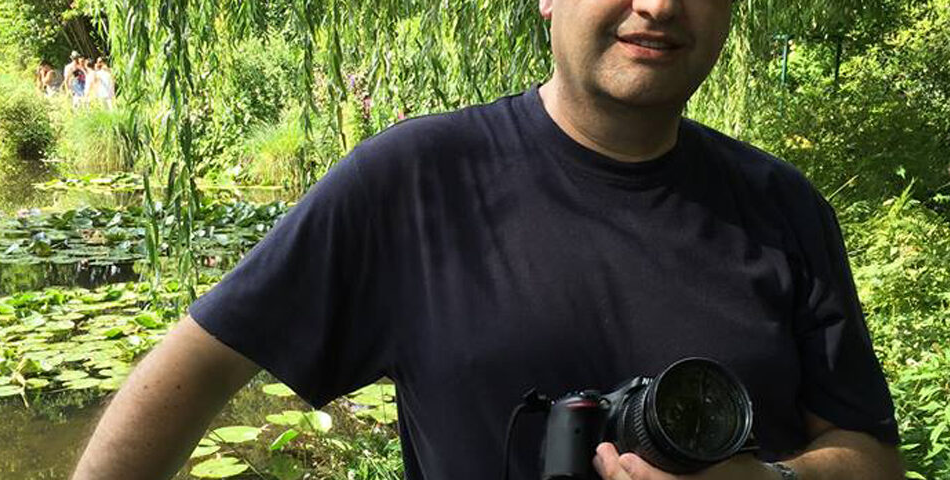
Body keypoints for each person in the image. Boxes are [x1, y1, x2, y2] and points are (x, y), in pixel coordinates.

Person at [73, 1, 904, 479]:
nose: (658, 4)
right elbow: (193, 369)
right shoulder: (414, 181)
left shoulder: (784, 206)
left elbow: (867, 454)